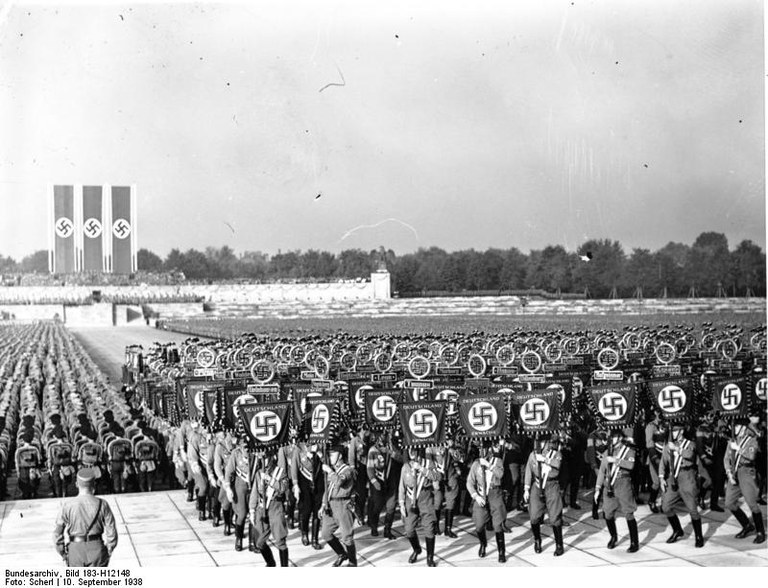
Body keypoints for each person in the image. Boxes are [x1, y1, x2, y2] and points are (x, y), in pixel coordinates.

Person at [53, 468, 118, 567]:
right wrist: (109, 549)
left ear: (76, 484)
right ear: (94, 485)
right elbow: (111, 530)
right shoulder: (103, 504)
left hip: (75, 550)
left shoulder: (67, 506)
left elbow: (57, 534)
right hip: (97, 549)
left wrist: (63, 553)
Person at [659, 423, 704, 547]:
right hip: (673, 477)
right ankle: (677, 530)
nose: (672, 433)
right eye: (672, 431)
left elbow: (690, 455)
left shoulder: (690, 444)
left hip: (687, 477)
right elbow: (663, 462)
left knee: (692, 509)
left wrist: (677, 449)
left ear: (681, 431)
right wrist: (661, 477)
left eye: (675, 431)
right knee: (666, 506)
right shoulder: (668, 445)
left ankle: (699, 536)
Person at [594, 428, 639, 552]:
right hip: (609, 485)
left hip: (623, 483)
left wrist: (616, 460)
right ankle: (613, 536)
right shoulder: (607, 452)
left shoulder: (628, 450)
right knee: (607, 513)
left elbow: (630, 465)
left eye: (613, 437)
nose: (610, 439)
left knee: (628, 512)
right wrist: (597, 488)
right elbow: (602, 472)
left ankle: (634, 542)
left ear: (619, 437)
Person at [724, 418, 766, 543]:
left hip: (747, 472)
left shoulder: (752, 440)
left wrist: (737, 448)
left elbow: (751, 456)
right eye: (733, 427)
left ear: (743, 427)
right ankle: (747, 525)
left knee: (752, 503)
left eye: (736, 427)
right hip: (734, 472)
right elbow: (726, 458)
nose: (734, 429)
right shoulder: (732, 441)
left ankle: (760, 532)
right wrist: (728, 473)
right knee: (729, 502)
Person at [398, 446, 441, 567]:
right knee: (409, 529)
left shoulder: (428, 463)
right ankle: (417, 549)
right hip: (410, 498)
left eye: (414, 450)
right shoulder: (406, 466)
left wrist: (422, 469)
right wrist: (401, 503)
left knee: (429, 528)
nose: (412, 452)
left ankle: (430, 557)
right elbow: (401, 486)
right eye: (410, 450)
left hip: (425, 497)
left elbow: (437, 477)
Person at [524, 434, 565, 556]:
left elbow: (558, 465)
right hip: (537, 486)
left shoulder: (555, 453)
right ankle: (537, 540)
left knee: (554, 517)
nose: (540, 444)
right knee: (534, 516)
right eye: (537, 441)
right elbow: (528, 471)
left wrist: (545, 459)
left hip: (551, 485)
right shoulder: (533, 455)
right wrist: (526, 488)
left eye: (542, 441)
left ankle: (559, 544)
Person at [466, 440, 507, 562]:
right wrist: (476, 496)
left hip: (494, 493)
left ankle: (501, 552)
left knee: (497, 525)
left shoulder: (497, 461)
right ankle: (483, 543)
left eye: (485, 450)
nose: (482, 452)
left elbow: (500, 474)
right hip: (481, 494)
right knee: (479, 524)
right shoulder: (476, 464)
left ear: (489, 450)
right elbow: (469, 482)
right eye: (480, 450)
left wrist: (489, 465)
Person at [248, 449, 290, 567]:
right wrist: (252, 510)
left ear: (271, 458)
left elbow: (282, 488)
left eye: (265, 458)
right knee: (259, 542)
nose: (263, 461)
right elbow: (255, 492)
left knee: (280, 540)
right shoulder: (258, 473)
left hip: (275, 507)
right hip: (262, 509)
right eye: (262, 458)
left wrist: (270, 479)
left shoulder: (280, 472)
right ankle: (270, 563)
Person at [321, 445, 358, 567]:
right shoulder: (334, 470)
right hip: (331, 504)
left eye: (333, 454)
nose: (330, 457)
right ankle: (341, 554)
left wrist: (330, 471)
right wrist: (323, 504)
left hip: (343, 504)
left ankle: (352, 562)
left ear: (340, 455)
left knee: (347, 536)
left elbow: (339, 482)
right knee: (326, 533)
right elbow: (328, 489)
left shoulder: (347, 470)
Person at [291, 439, 324, 549]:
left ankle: (315, 538)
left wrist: (319, 453)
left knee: (317, 511)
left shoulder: (320, 445)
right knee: (305, 511)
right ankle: (304, 533)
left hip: (318, 482)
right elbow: (294, 467)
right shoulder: (298, 448)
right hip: (304, 482)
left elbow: (326, 462)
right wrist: (295, 484)